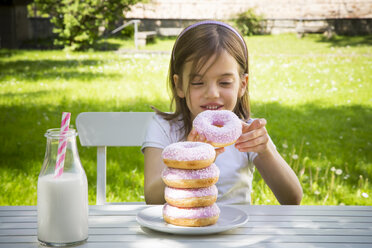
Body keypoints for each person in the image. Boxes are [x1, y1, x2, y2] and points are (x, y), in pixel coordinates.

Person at [141, 20, 302, 205]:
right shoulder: (163, 127)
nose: (212, 93)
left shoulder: (247, 132)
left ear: (242, 85)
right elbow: (152, 198)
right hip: (180, 229)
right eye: (198, 83)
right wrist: (190, 161)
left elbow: (292, 199)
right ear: (179, 85)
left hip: (236, 231)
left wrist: (265, 151)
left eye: (224, 83)